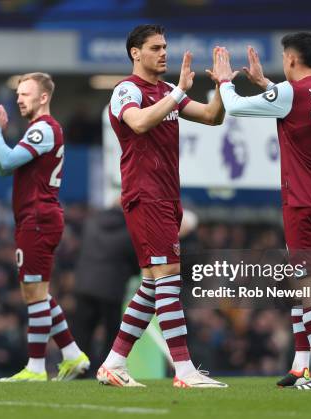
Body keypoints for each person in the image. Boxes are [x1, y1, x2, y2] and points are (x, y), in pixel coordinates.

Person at [97, 24, 227, 388]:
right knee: (167, 279)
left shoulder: (167, 90)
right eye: (156, 47)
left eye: (165, 46)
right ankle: (184, 370)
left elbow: (211, 117)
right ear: (135, 53)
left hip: (168, 197)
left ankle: (114, 363)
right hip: (145, 195)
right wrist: (178, 94)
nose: (164, 53)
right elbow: (137, 123)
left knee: (154, 286)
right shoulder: (127, 89)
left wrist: (221, 87)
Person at [215, 32, 311, 390]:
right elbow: (301, 103)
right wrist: (265, 83)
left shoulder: (290, 93)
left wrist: (227, 80)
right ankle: (300, 365)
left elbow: (238, 106)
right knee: (303, 281)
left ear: (290, 59)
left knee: (310, 286)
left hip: (302, 202)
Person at [0, 72, 89, 382]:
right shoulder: (36, 129)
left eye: (25, 93)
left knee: (34, 293)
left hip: (39, 218)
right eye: (18, 94)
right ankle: (72, 355)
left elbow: (10, 159)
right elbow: (3, 166)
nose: (19, 98)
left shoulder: (44, 128)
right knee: (36, 291)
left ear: (43, 98)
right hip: (35, 218)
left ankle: (36, 368)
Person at [70, 203, 139, 375]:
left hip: (85, 285)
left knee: (83, 331)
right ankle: (107, 370)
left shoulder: (91, 223)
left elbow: (80, 251)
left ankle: (80, 370)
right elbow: (134, 260)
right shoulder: (129, 230)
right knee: (111, 333)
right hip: (111, 288)